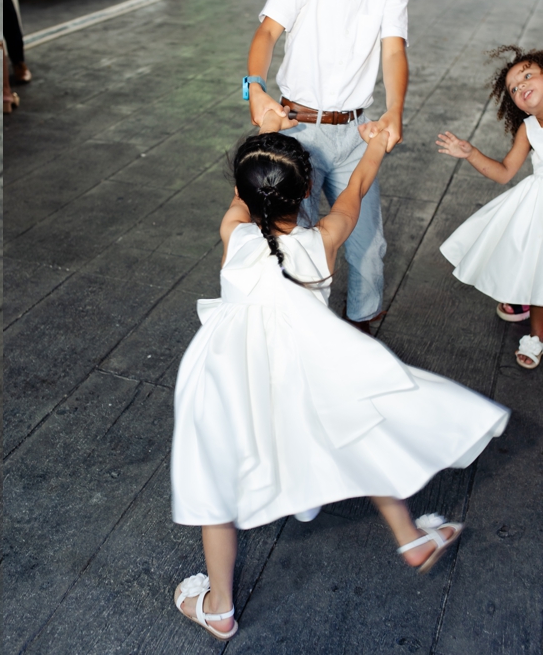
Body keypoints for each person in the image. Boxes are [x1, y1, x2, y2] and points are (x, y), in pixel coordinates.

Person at [170, 119, 510, 640]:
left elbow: (245, 197)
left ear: (239, 191)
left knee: (215, 476)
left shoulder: (233, 233)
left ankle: (218, 606)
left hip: (231, 376)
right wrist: (375, 144)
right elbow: (356, 188)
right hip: (305, 374)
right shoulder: (325, 238)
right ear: (307, 191)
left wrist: (260, 150)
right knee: (358, 429)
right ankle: (410, 538)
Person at [244, 0, 424, 334]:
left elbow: (393, 51)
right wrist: (254, 88)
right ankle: (303, 331)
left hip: (354, 133)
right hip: (296, 130)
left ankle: (362, 328)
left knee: (368, 241)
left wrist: (396, 111)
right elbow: (266, 35)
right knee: (294, 238)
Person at [437, 46, 543, 368]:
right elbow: (504, 172)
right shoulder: (530, 129)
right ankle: (537, 336)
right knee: (540, 274)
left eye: (527, 75)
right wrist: (470, 153)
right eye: (513, 88)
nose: (520, 85)